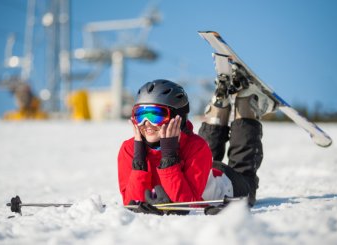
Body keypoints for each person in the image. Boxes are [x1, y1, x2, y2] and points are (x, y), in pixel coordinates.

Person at [117, 78, 273, 215]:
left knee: (243, 168)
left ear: (176, 117)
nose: (146, 124)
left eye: (155, 115)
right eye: (140, 115)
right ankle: (219, 102)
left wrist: (169, 157)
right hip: (203, 169)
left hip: (226, 184)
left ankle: (247, 102)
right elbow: (132, 203)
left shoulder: (197, 147)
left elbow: (187, 204)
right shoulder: (130, 149)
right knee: (199, 146)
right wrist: (139, 161)